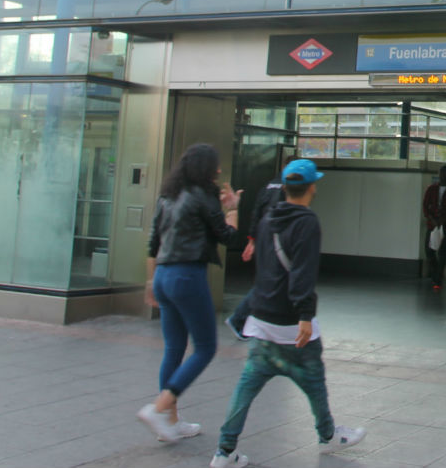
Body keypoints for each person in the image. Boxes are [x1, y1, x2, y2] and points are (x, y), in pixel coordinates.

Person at [210, 159, 367, 468]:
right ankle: (327, 435)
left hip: (262, 322)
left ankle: (224, 450)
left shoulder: (269, 220)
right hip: (290, 325)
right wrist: (305, 316)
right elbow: (303, 274)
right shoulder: (307, 222)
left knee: (245, 389)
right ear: (311, 188)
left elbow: (267, 270)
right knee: (314, 377)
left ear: (283, 187)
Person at [138, 143, 240, 443]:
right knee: (206, 347)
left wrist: (149, 282)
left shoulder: (168, 195)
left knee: (173, 347)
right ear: (206, 169)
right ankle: (159, 409)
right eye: (216, 166)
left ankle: (170, 421)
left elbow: (153, 242)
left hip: (163, 277)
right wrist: (232, 208)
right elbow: (227, 236)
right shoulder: (203, 194)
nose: (219, 171)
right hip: (187, 275)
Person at [226, 154, 298, 338]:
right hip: (277, 241)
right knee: (270, 282)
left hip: (265, 239)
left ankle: (250, 321)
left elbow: (256, 212)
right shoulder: (286, 188)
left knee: (268, 281)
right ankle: (240, 319)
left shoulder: (267, 185)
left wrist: (252, 240)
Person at [422, 165, 446, 289]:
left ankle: (437, 278)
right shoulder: (431, 189)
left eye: (445, 173)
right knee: (429, 250)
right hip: (433, 224)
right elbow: (425, 205)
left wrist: (444, 219)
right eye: (441, 173)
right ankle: (436, 274)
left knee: (442, 250)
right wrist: (431, 219)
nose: (443, 175)